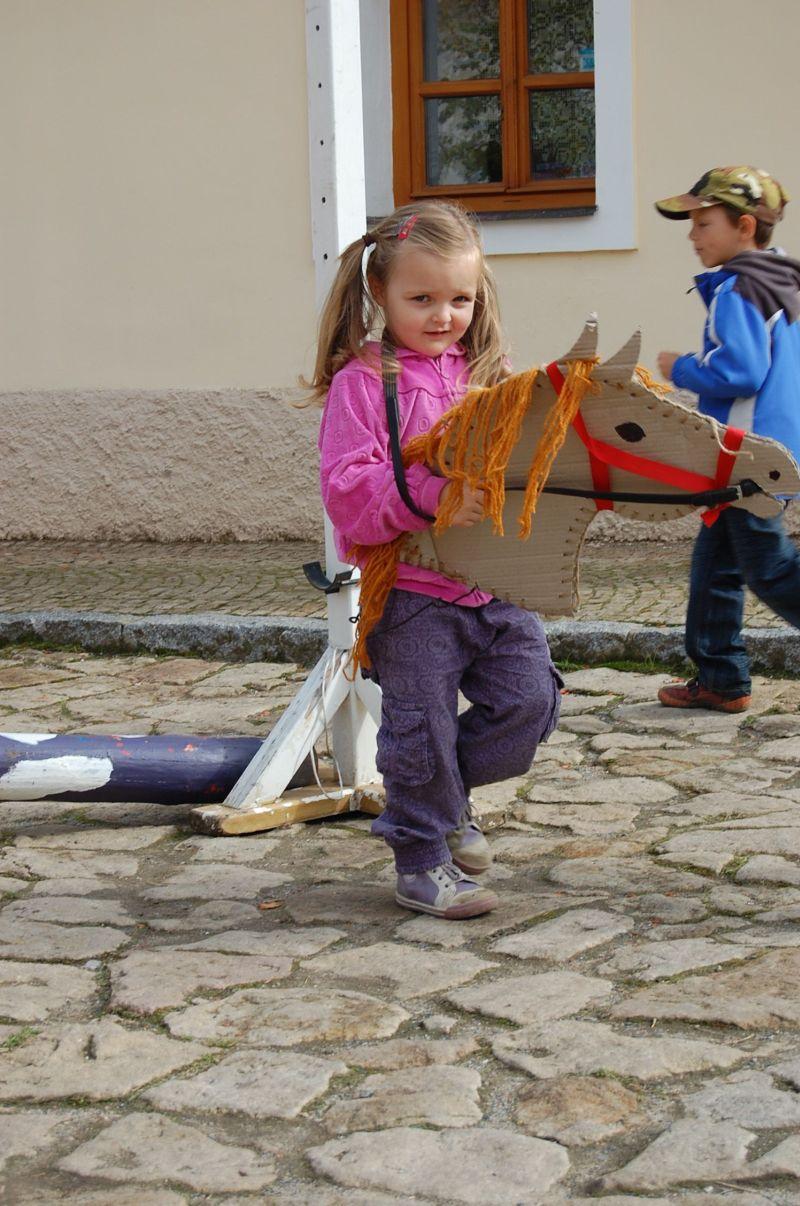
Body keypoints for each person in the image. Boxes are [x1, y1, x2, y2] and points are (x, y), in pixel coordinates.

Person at [310, 201, 562, 919]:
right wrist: (436, 492)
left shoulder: (489, 374)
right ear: (380, 294)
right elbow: (350, 493)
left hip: (495, 586)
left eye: (460, 297)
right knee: (419, 730)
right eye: (421, 298)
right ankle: (421, 861)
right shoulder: (364, 384)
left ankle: (447, 805)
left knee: (530, 703)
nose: (444, 314)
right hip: (414, 593)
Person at [654, 166, 800, 713]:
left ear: (743, 226)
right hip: (769, 451)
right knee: (716, 565)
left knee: (772, 568)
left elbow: (741, 371)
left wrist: (681, 367)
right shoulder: (781, 280)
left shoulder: (738, 287)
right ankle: (721, 676)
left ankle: (722, 674)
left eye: (702, 222)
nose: (693, 235)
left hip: (747, 456)